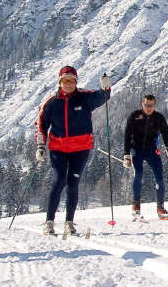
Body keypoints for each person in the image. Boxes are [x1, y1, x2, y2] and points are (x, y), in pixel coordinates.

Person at [35, 66, 112, 236]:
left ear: (76, 82)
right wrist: (41, 146)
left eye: (72, 80)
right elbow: (41, 124)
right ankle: (49, 222)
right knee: (58, 180)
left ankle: (69, 222)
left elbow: (102, 97)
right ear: (60, 82)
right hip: (58, 148)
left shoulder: (84, 98)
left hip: (81, 148)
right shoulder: (51, 102)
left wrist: (106, 87)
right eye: (65, 80)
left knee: (73, 182)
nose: (68, 84)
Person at [122, 93, 168, 220]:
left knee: (159, 177)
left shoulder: (159, 118)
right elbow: (127, 136)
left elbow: (167, 137)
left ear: (154, 105)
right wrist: (126, 155)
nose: (148, 108)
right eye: (146, 105)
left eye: (151, 105)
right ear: (142, 104)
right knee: (139, 174)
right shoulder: (135, 116)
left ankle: (160, 208)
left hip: (152, 150)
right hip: (136, 149)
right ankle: (136, 207)